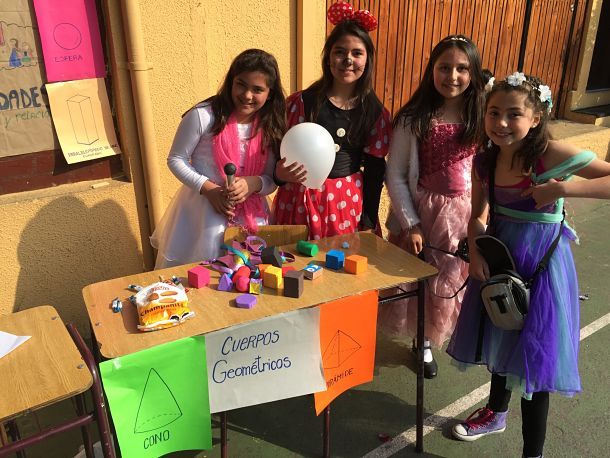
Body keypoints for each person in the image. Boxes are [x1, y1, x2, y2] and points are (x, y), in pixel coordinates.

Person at [447, 72, 610, 458]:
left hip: (542, 268)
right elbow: (477, 216)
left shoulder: (552, 155)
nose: (501, 122)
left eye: (514, 114)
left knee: (537, 356)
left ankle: (532, 453)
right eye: (494, 112)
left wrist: (564, 188)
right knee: (501, 333)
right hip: (500, 260)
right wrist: (476, 251)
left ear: (536, 118)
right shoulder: (484, 162)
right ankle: (496, 413)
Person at [378, 35, 485, 378]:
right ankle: (421, 340)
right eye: (444, 67)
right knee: (421, 281)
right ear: (431, 70)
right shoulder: (413, 118)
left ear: (473, 73)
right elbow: (395, 174)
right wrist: (411, 223)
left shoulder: (482, 116)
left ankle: (441, 335)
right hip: (424, 215)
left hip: (465, 215)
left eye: (462, 68)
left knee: (454, 278)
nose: (452, 76)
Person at [151, 49, 286, 268]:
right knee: (201, 273)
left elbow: (271, 178)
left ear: (270, 93)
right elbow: (176, 159)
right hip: (204, 216)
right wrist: (210, 190)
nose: (247, 95)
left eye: (258, 89)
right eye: (241, 84)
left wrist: (254, 183)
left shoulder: (270, 125)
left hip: (253, 217)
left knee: (248, 274)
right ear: (231, 82)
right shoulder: (204, 115)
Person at [272, 2, 391, 240]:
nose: (348, 59)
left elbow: (375, 170)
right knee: (295, 260)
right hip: (298, 202)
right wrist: (278, 175)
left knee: (340, 260)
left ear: (368, 60)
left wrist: (368, 220)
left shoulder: (375, 113)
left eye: (357, 53)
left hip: (345, 205)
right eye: (340, 52)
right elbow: (276, 150)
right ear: (328, 57)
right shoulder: (302, 103)